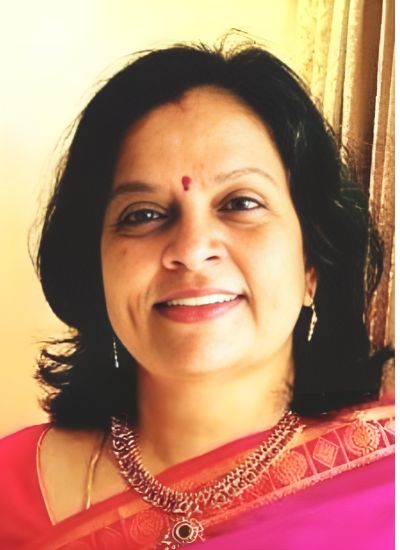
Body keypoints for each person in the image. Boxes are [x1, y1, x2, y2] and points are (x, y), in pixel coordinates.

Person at [0, 42, 394, 550]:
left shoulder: (384, 483)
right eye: (143, 214)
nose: (190, 250)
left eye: (241, 203)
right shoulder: (10, 493)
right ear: (96, 268)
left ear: (313, 263)